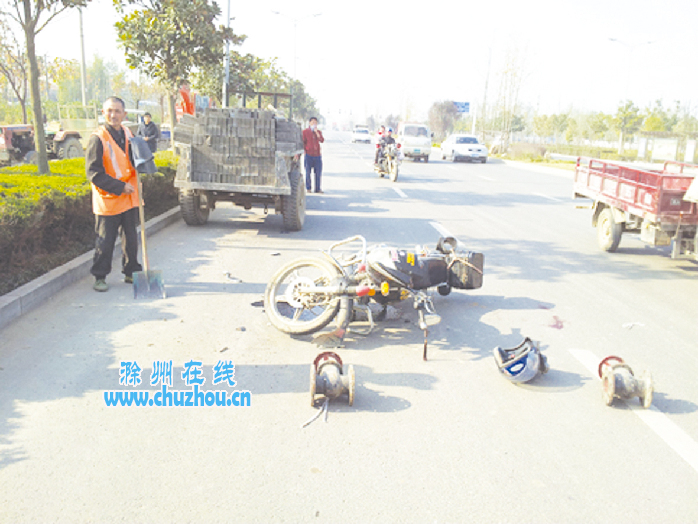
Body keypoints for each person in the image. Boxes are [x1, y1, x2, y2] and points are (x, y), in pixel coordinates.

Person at [86, 96, 142, 292]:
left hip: (128, 197)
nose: (113, 115)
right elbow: (93, 173)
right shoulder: (98, 138)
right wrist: (119, 186)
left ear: (124, 114)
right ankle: (100, 276)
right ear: (103, 113)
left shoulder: (127, 133)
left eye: (117, 111)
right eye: (109, 111)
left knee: (131, 238)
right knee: (105, 241)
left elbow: (133, 159)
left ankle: (131, 271)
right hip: (108, 198)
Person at [302, 116, 325, 193]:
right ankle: (308, 188)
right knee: (308, 172)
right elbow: (303, 142)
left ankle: (317, 188)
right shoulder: (305, 132)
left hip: (317, 155)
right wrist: (304, 151)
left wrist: (317, 133)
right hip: (309, 155)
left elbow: (322, 140)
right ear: (309, 123)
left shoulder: (318, 132)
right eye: (312, 122)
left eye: (315, 122)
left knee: (318, 173)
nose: (314, 124)